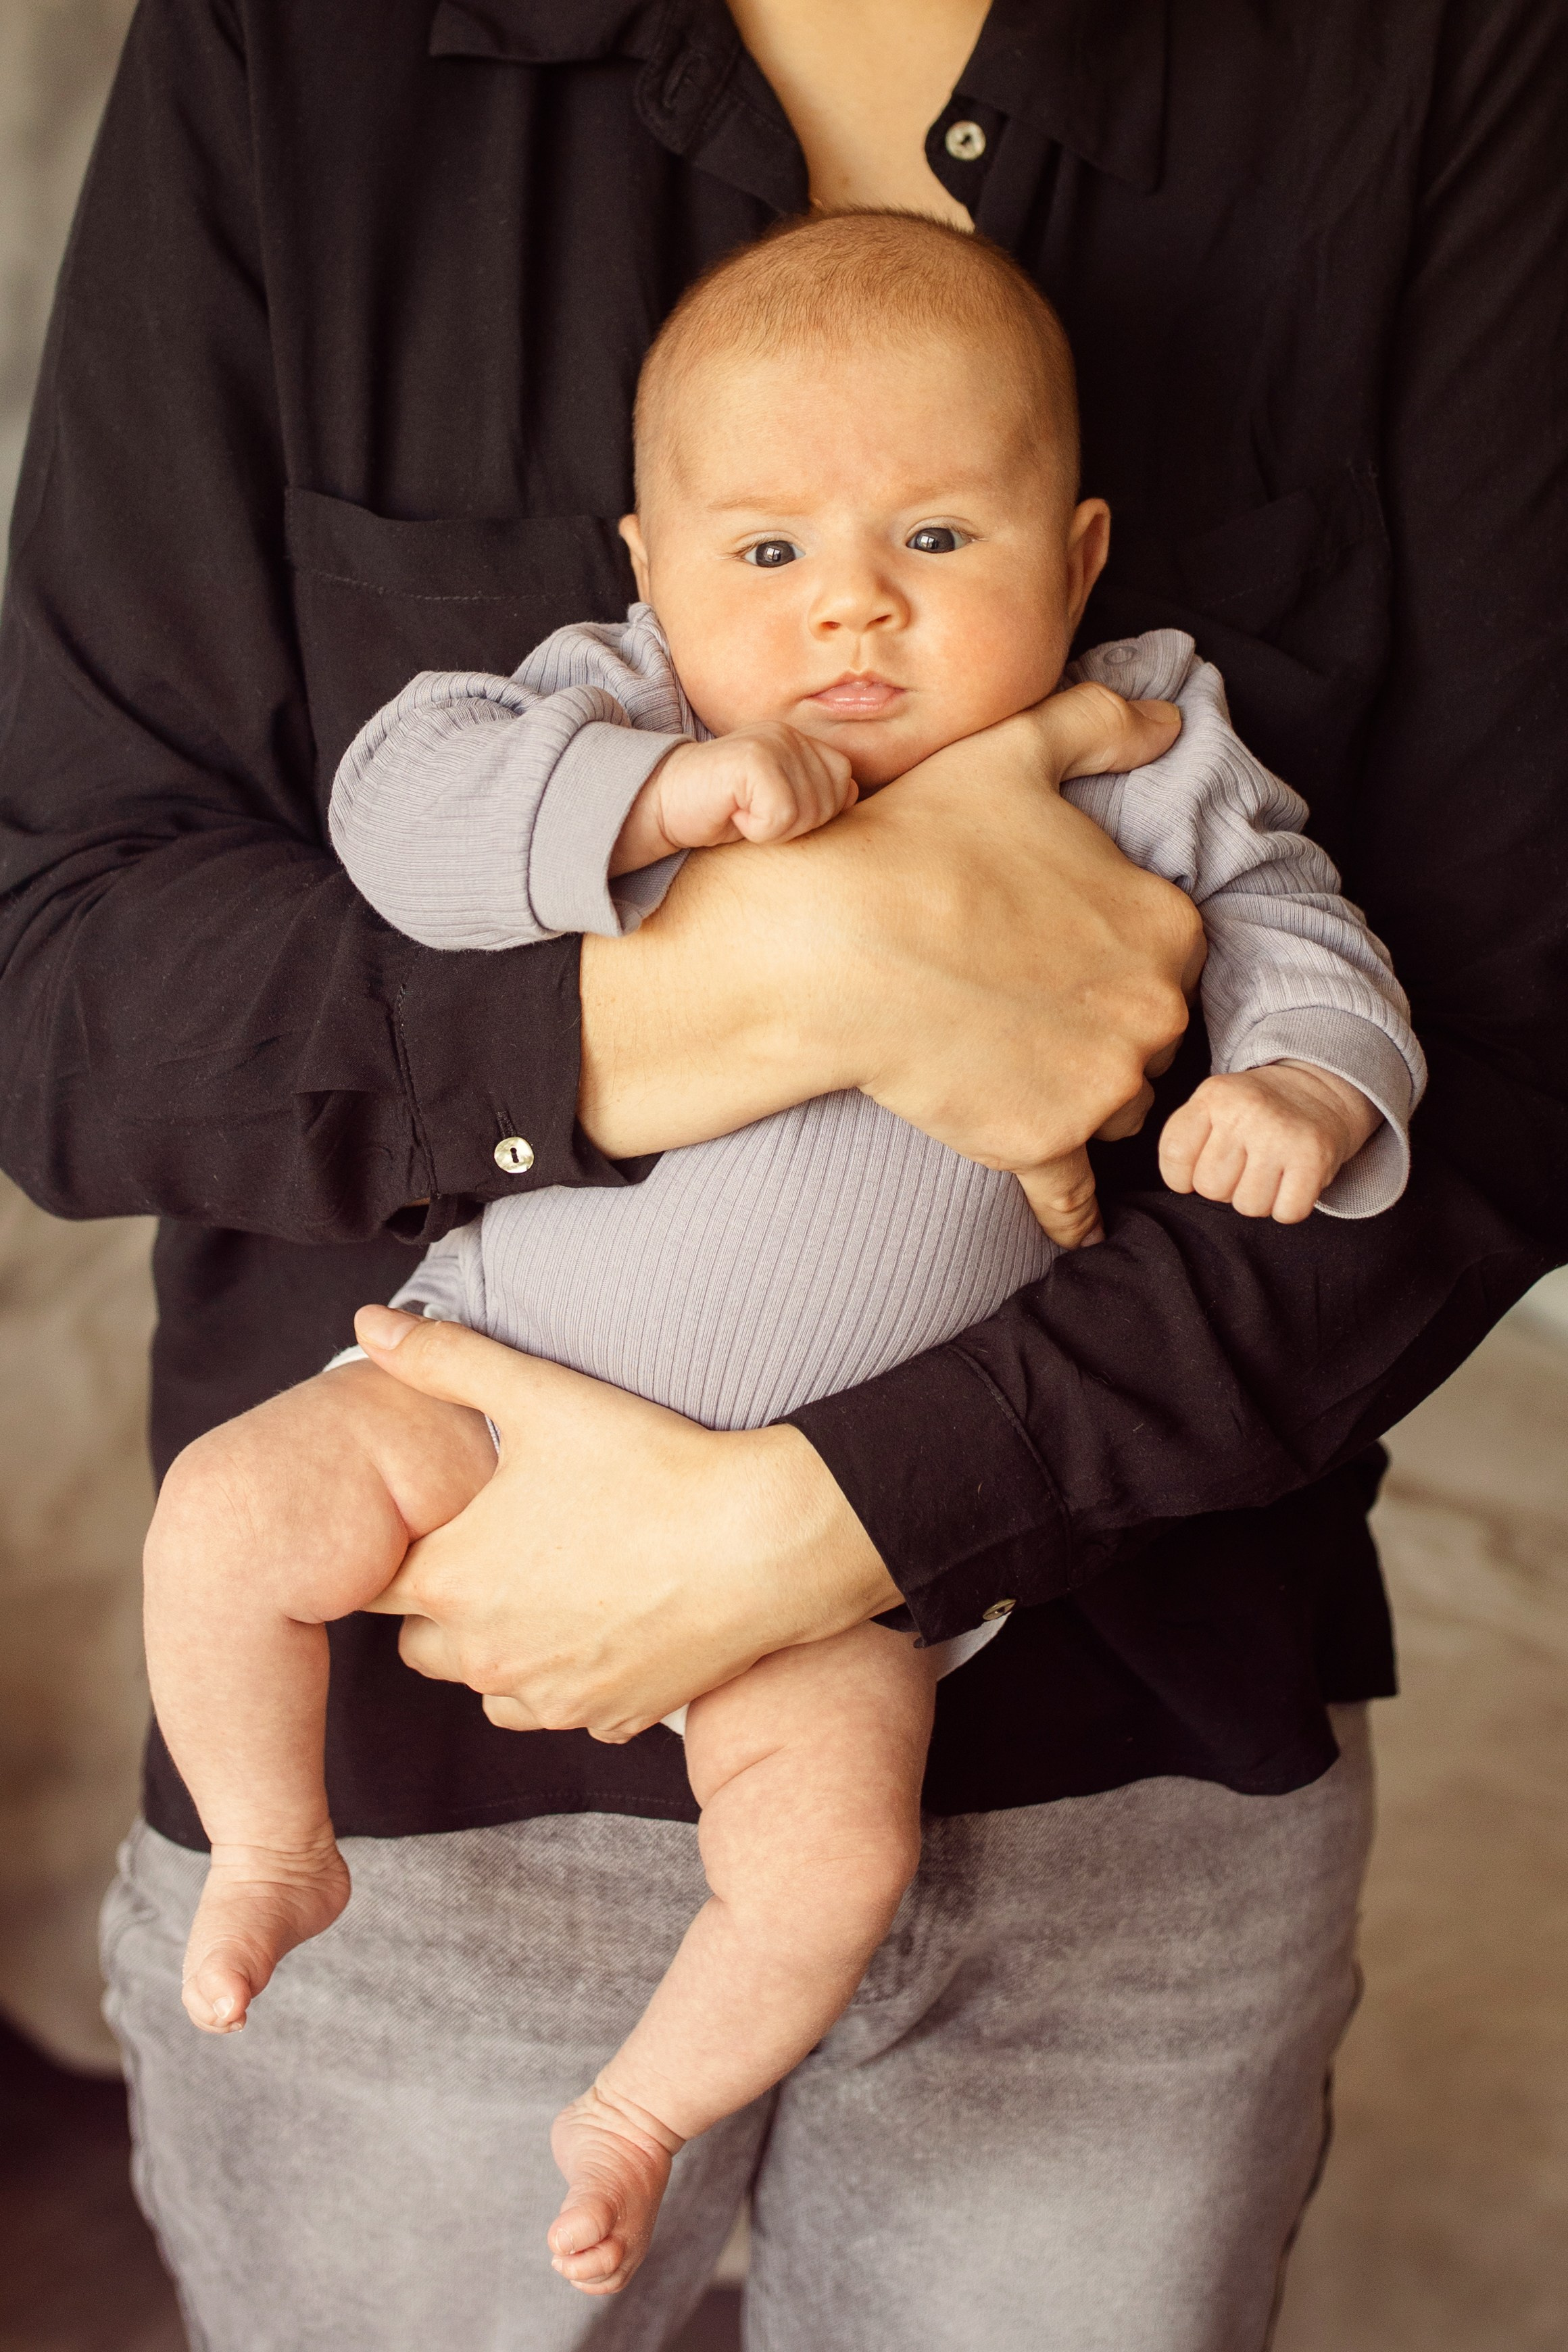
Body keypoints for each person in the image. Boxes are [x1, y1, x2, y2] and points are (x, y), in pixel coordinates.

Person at [0, 3, 1561, 2346]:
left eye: (939, 540)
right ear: (655, 563)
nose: (853, 608)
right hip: (456, 1574)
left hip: (1046, 1666)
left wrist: (1299, 1099)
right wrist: (691, 883)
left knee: (810, 1847)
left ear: (1080, 549)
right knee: (235, 1520)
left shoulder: (1155, 737)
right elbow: (126, 945)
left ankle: (647, 2109)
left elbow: (1435, 991)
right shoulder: (605, 697)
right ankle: (272, 1846)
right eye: (772, 550)